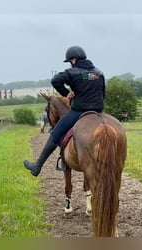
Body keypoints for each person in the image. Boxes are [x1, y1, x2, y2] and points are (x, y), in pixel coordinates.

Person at [23, 45, 105, 176]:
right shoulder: (99, 73)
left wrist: (67, 93)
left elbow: (55, 80)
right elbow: (103, 94)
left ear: (73, 60)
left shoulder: (72, 72)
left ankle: (37, 166)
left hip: (79, 111)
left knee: (55, 133)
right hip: (99, 112)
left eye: (70, 62)